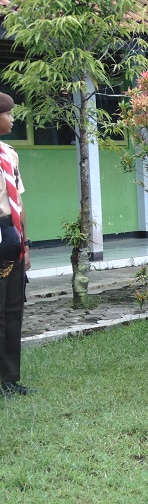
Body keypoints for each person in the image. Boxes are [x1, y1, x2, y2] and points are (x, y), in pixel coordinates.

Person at [0, 93, 36, 398]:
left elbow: (18, 201)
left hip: (9, 232)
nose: (13, 119)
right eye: (8, 114)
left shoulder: (9, 155)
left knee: (13, 308)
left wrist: (25, 243)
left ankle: (10, 378)